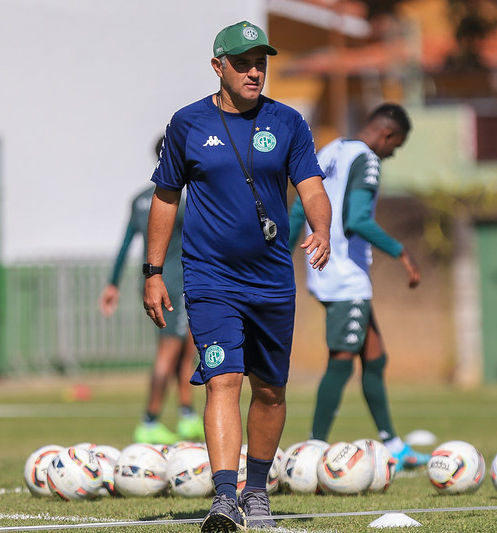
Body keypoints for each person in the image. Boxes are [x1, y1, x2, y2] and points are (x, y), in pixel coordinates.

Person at [143, 21, 331, 532]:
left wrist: (322, 229)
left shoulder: (289, 121)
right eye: (244, 63)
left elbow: (311, 186)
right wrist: (154, 272)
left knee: (269, 391)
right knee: (222, 380)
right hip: (210, 279)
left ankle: (256, 493)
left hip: (271, 281)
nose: (254, 72)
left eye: (261, 63)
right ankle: (225, 499)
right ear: (217, 66)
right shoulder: (187, 123)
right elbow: (165, 197)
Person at [288, 103, 429, 472]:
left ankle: (394, 445)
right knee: (341, 360)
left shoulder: (330, 150)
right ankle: (314, 448)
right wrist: (402, 252)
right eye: (395, 147)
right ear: (387, 135)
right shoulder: (366, 159)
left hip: (323, 270)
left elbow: (299, 210)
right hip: (345, 275)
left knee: (375, 356)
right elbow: (357, 219)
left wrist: (279, 254)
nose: (391, 154)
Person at [98, 136, 203, 445]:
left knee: (185, 347)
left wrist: (112, 284)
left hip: (154, 282)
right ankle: (149, 420)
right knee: (169, 351)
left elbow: (125, 244)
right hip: (178, 282)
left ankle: (186, 415)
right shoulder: (181, 198)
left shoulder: (140, 198)